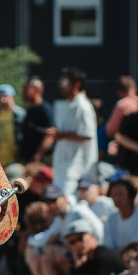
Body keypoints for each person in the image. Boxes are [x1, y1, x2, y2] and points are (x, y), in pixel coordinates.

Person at [47, 68, 98, 197]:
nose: (61, 85)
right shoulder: (70, 105)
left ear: (77, 84)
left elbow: (87, 135)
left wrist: (61, 135)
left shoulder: (83, 106)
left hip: (76, 173)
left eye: (65, 82)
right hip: (65, 170)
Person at [103, 179, 138, 251]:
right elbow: (108, 246)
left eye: (120, 194)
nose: (116, 198)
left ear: (130, 196)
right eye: (113, 195)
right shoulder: (111, 219)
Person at [0, 84, 25, 167]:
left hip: (16, 159)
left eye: (5, 96)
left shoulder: (20, 114)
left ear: (12, 96)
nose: (2, 100)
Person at [21, 78, 54, 163]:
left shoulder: (44, 109)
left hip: (41, 161)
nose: (23, 91)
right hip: (28, 159)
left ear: (37, 90)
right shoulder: (29, 110)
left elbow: (50, 134)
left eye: (26, 88)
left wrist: (38, 155)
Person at [105, 75, 138, 140]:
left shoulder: (122, 104)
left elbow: (109, 130)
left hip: (125, 146)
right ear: (135, 89)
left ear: (119, 92)